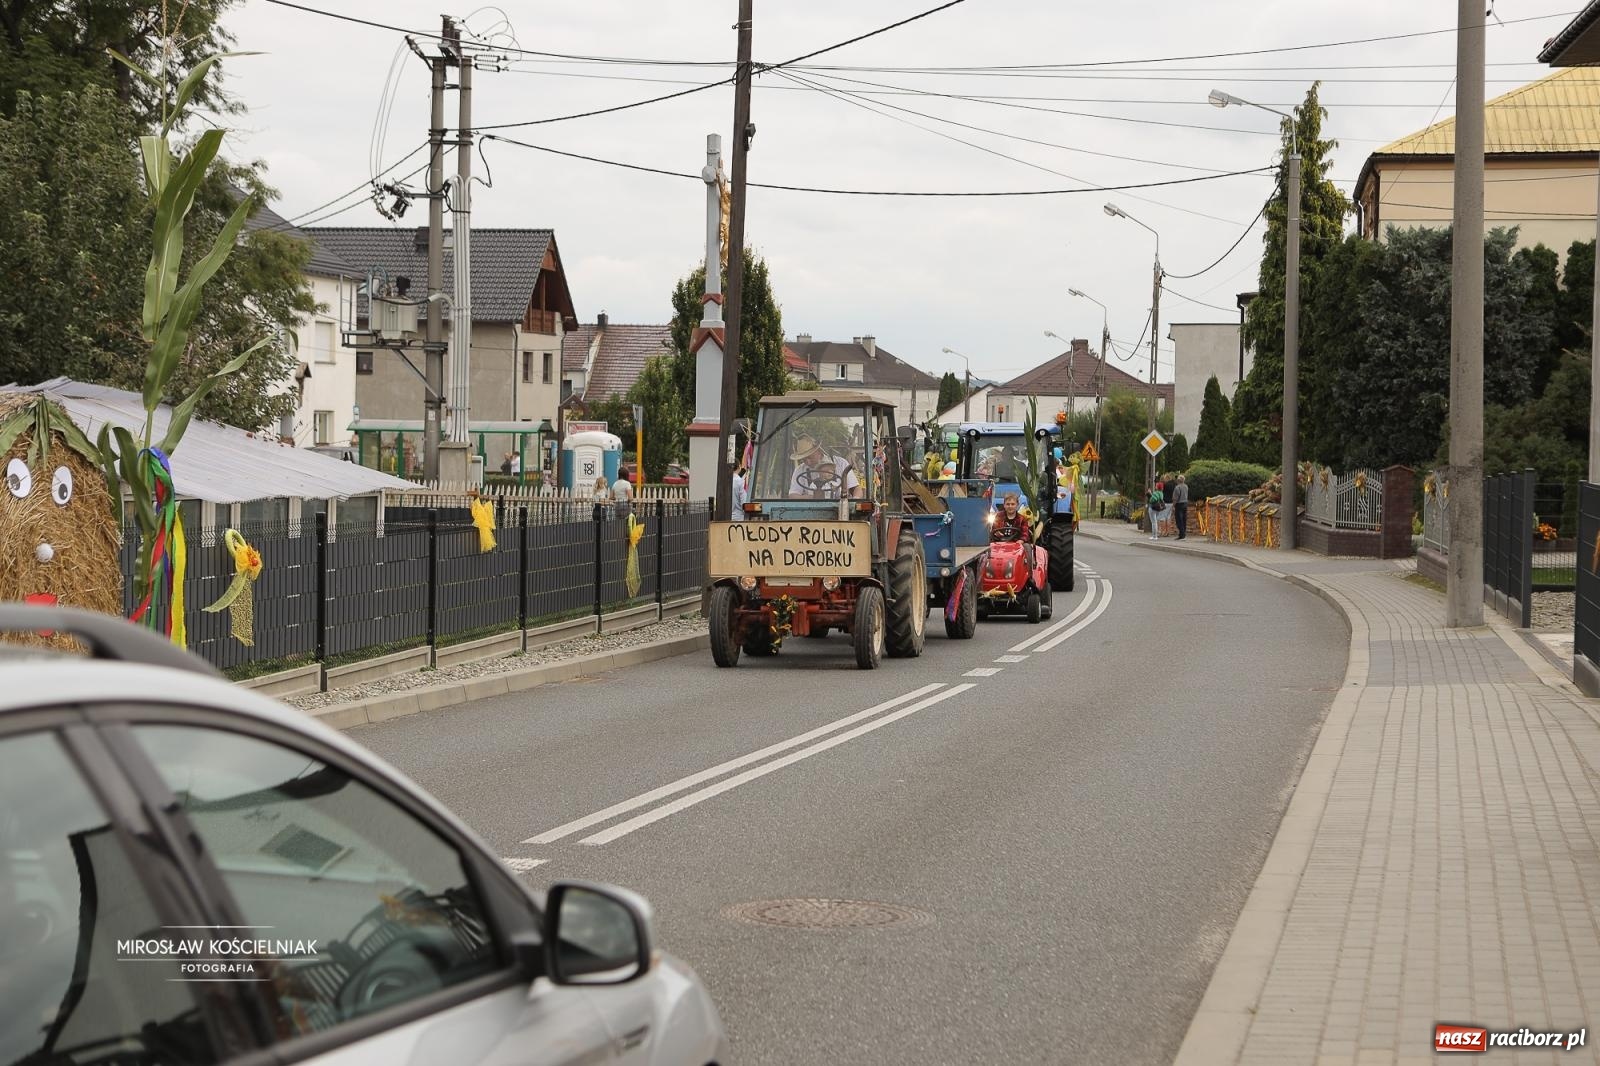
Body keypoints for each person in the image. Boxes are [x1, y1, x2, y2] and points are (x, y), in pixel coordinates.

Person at [788, 434, 860, 499]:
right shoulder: (800, 470)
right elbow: (793, 495)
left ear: (818, 451)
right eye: (804, 459)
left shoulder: (841, 463)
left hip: (839, 509)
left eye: (810, 457)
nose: (808, 462)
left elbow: (856, 489)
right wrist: (813, 497)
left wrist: (853, 502)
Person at [1172, 473, 1190, 540]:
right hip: (1185, 503)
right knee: (1184, 519)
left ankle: (1182, 534)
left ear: (1178, 480)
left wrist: (1173, 506)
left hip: (1179, 504)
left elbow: (1175, 498)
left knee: (1179, 520)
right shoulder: (1186, 486)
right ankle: (1183, 533)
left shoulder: (1177, 487)